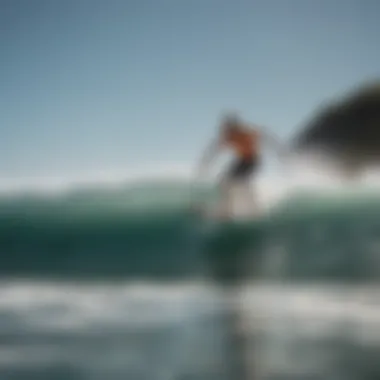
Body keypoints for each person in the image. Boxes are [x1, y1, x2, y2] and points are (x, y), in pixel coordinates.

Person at [194, 112, 284, 220]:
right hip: (241, 160)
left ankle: (251, 208)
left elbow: (266, 135)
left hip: (252, 161)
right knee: (224, 182)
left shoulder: (245, 132)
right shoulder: (228, 136)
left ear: (234, 126)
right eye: (226, 128)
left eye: (228, 127)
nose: (226, 130)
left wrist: (279, 151)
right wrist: (205, 163)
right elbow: (213, 149)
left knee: (235, 183)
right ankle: (228, 210)